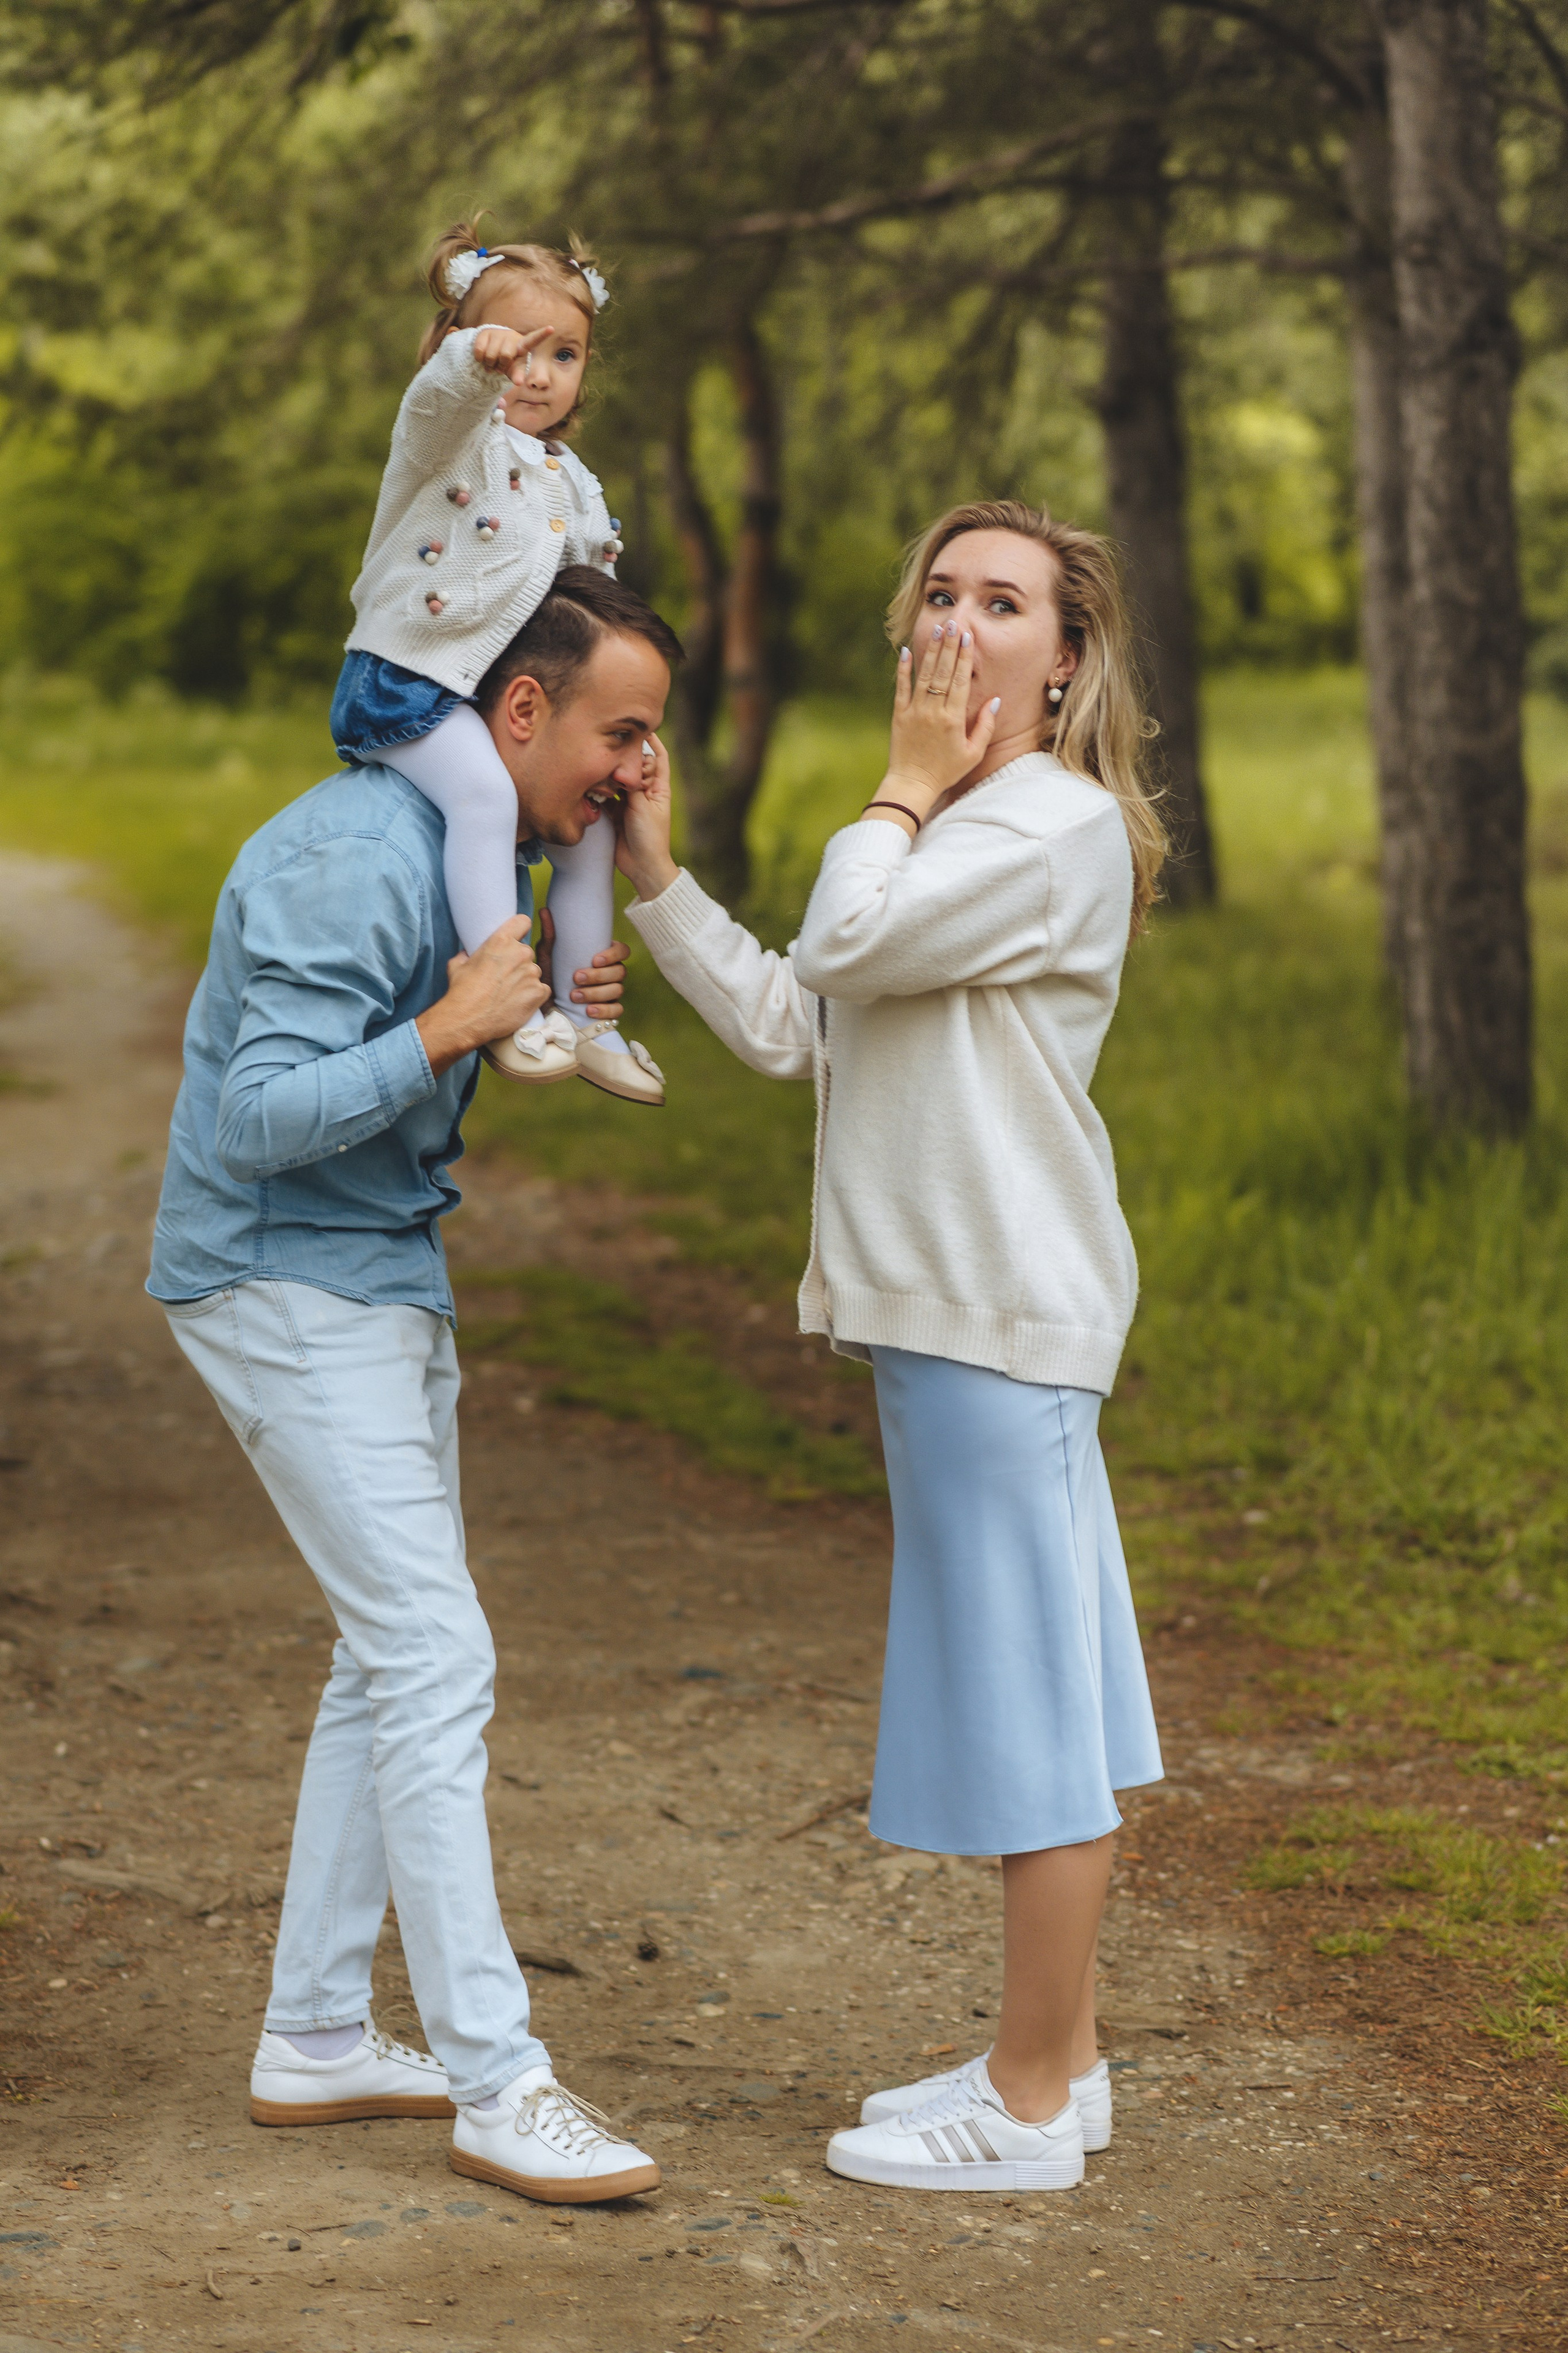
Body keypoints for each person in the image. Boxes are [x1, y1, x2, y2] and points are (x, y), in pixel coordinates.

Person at [614, 497, 1167, 2196]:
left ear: (1066, 658)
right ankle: (1058, 2067)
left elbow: (851, 934)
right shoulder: (957, 834)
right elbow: (805, 1017)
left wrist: (899, 787)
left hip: (999, 1315)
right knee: (1045, 1692)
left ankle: (1016, 2106)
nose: (964, 621)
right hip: (966, 1321)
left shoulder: (1043, 827)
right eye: (941, 590)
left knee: (1031, 1719)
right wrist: (654, 879)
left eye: (1007, 602)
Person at [148, 567, 682, 2204]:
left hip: (376, 1270)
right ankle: (496, 2079)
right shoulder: (349, 858)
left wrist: (548, 1001)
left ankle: (315, 2032)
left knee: (387, 1661)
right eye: (623, 732)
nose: (637, 769)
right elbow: (255, 1118)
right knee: (435, 1650)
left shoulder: (494, 854)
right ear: (519, 710)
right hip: (277, 1275)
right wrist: (452, 1027)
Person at [331, 219, 664, 1106]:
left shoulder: (575, 480)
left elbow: (588, 615)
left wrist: (617, 725)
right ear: (461, 342)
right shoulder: (448, 438)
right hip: (405, 683)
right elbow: (436, 401)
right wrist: (471, 361)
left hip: (501, 708)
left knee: (591, 831)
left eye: (565, 353)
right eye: (519, 349)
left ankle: (587, 1019)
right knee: (480, 797)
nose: (538, 371)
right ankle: (505, 1006)